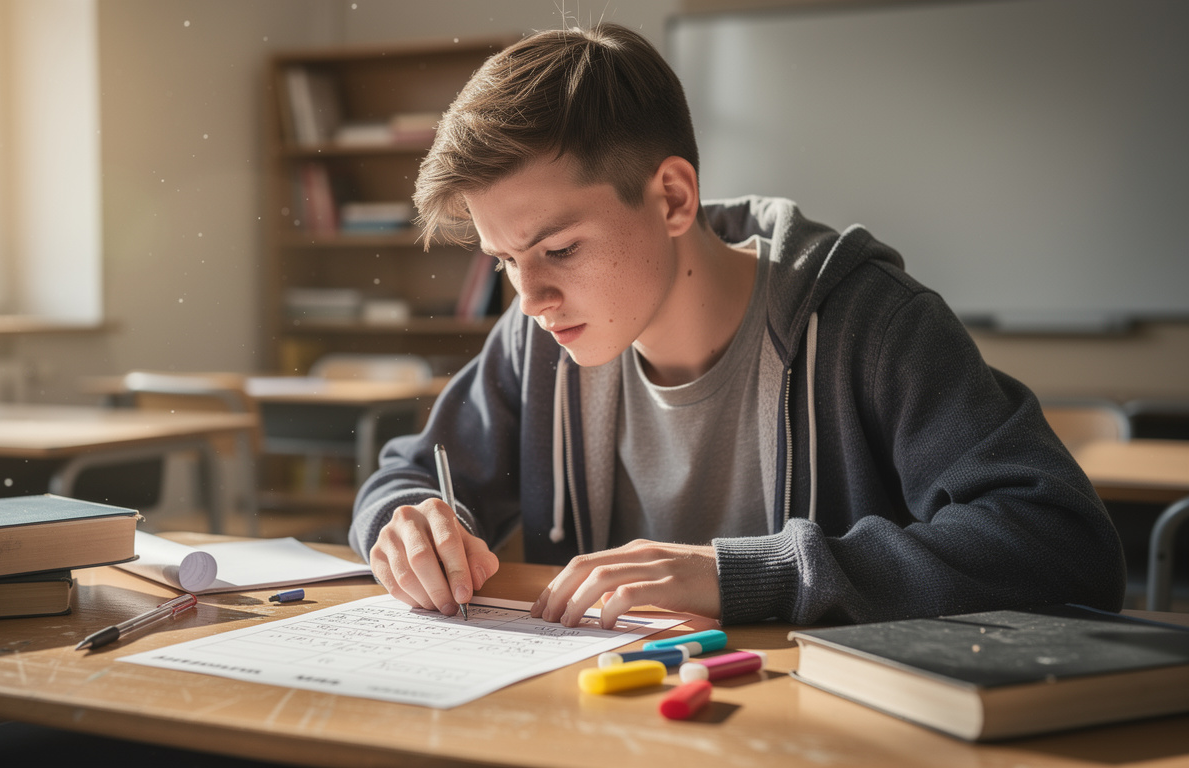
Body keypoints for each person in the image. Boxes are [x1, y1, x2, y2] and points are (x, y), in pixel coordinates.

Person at [348, 23, 1125, 628]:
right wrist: (406, 522)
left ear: (674, 198)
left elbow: (1061, 543)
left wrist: (746, 573)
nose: (531, 296)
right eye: (504, 261)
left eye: (558, 249)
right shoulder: (537, 341)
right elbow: (408, 473)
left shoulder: (867, 322)